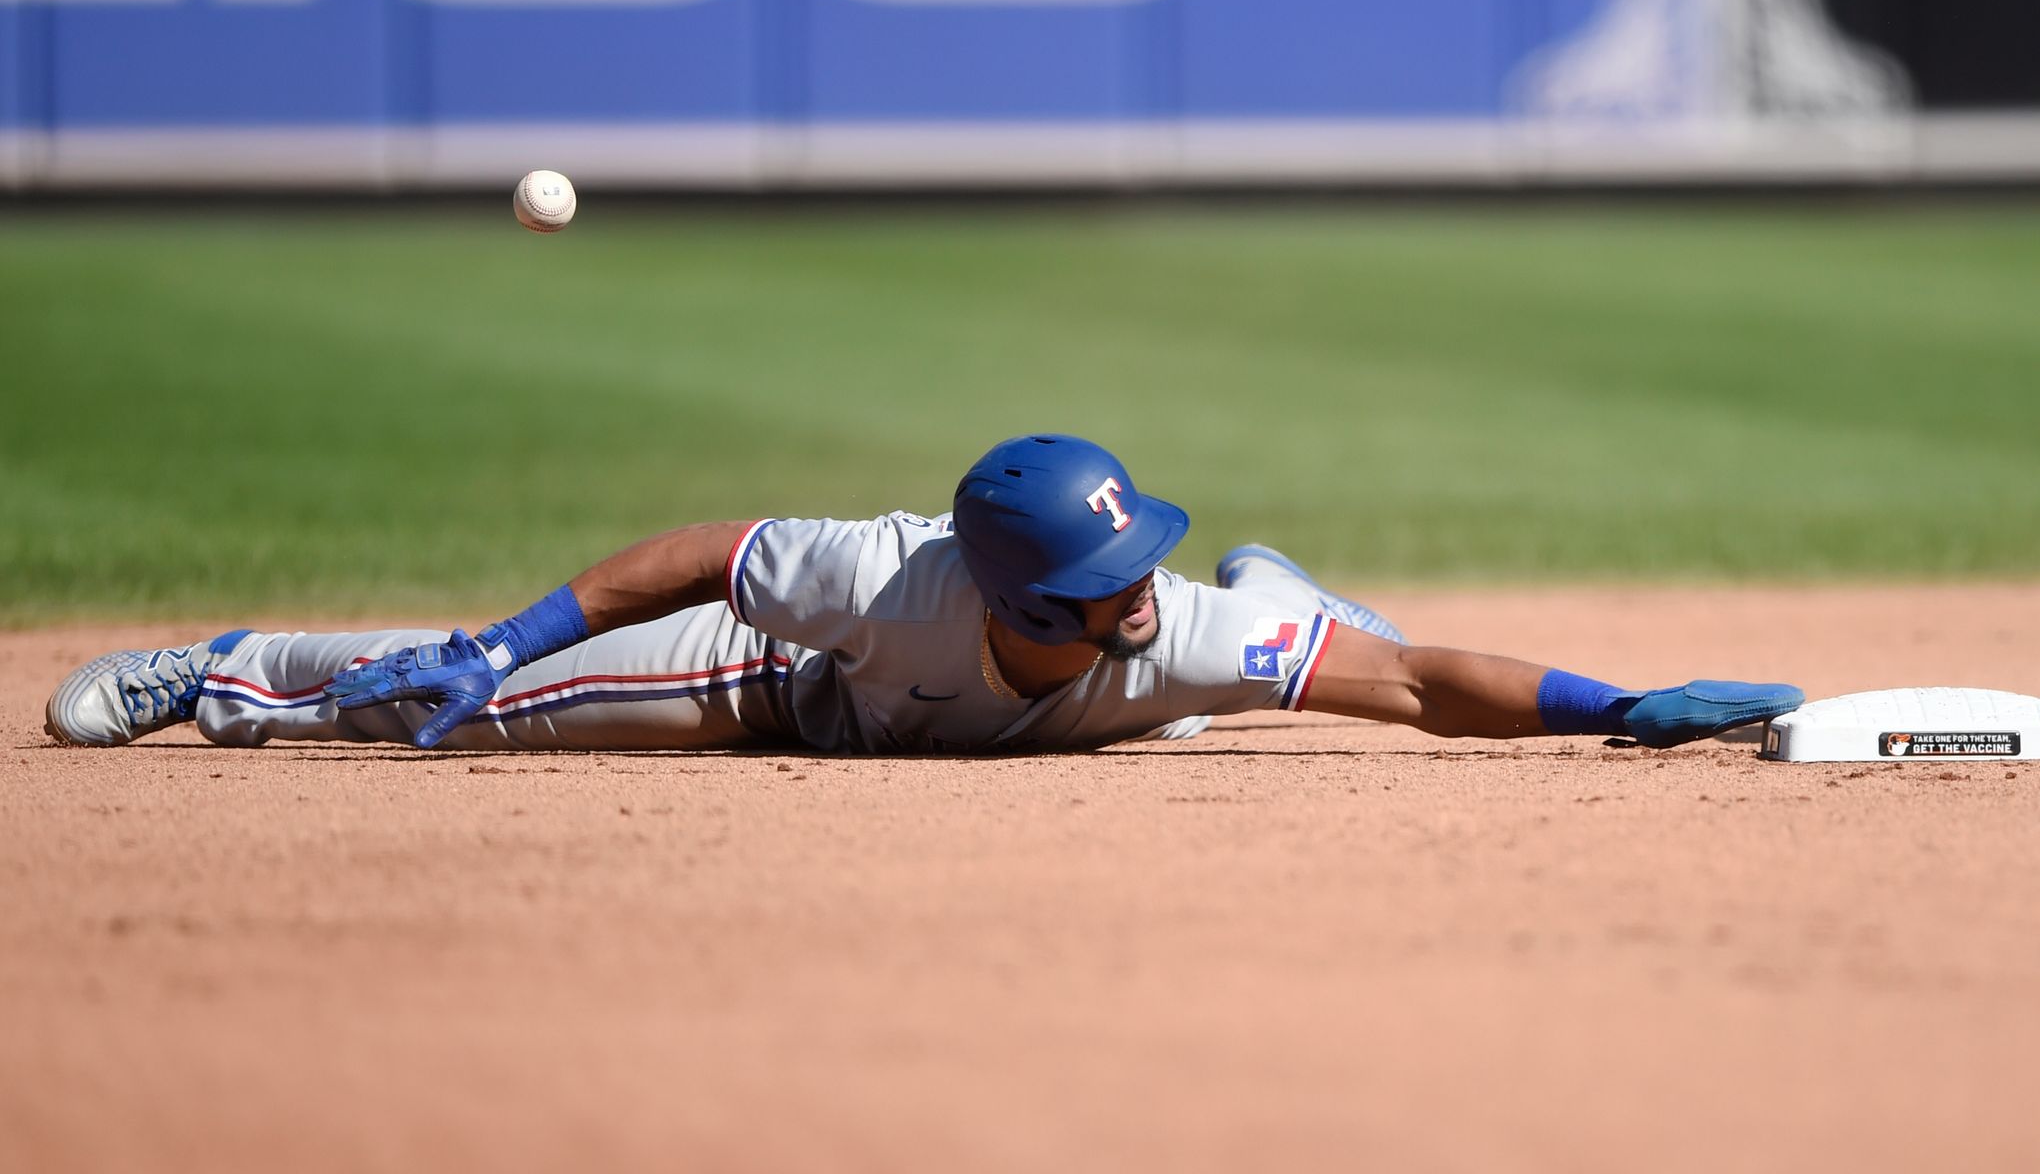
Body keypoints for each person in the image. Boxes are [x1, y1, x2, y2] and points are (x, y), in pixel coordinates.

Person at [44, 434, 1803, 755]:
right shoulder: (875, 580)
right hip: (787, 688)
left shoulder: (1163, 624)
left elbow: (1420, 687)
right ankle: (223, 673)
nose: (1146, 585)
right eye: (1113, 570)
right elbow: (687, 560)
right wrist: (502, 636)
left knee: (1249, 674)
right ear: (1024, 587)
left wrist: (1614, 706)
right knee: (474, 703)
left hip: (1008, 721)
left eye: (1146, 560)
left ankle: (1301, 596)